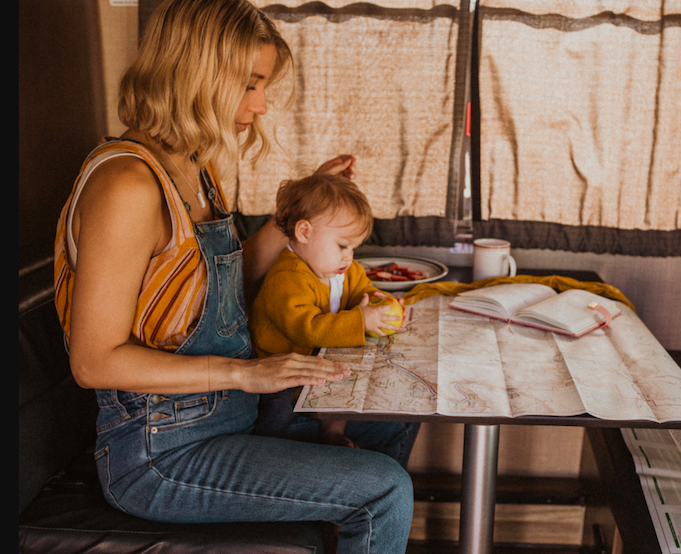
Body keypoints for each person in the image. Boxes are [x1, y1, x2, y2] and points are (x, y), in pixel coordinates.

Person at [52, 1, 413, 552]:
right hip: (159, 453)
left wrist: (296, 221)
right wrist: (246, 375)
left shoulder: (196, 171)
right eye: (249, 84)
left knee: (393, 416)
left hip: (225, 419)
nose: (261, 105)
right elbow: (93, 360)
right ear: (196, 74)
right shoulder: (127, 184)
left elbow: (213, 290)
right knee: (385, 488)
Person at [250, 173, 417, 462]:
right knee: (277, 410)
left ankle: (332, 433)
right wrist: (361, 321)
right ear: (304, 232)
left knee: (343, 383)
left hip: (319, 364)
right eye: (342, 246)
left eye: (354, 248)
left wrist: (382, 304)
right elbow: (308, 329)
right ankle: (260, 455)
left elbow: (361, 291)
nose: (349, 257)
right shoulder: (287, 277)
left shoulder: (339, 268)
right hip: (283, 371)